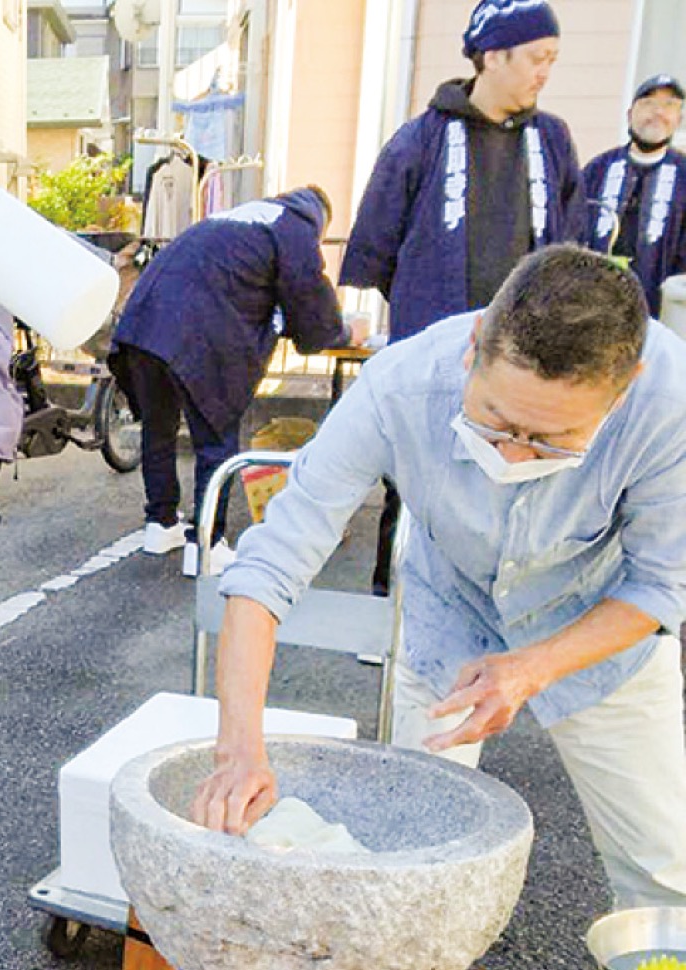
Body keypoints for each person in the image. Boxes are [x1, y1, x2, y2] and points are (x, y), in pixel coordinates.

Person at [193, 246, 686, 929]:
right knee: (412, 855)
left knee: (663, 870)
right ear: (475, 345)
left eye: (551, 440)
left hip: (601, 631)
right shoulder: (398, 384)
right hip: (449, 618)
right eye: (497, 421)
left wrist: (534, 667)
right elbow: (271, 563)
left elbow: (661, 584)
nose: (513, 455)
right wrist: (240, 748)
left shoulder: (671, 401)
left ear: (625, 386)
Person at [340, 0, 584, 596]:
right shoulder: (420, 140)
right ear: (493, 56)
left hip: (527, 353)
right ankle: (393, 604)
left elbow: (570, 244)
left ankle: (496, 611)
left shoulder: (550, 139)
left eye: (551, 59)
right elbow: (375, 244)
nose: (545, 71)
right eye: (537, 57)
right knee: (418, 480)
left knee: (520, 486)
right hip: (438, 346)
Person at [109, 187, 362, 578]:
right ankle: (207, 545)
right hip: (196, 331)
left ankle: (160, 524)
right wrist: (343, 333)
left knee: (158, 429)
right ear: (320, 218)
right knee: (216, 434)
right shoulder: (294, 225)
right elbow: (309, 297)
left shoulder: (238, 217)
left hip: (142, 324)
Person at [583, 74, 686, 317]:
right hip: (593, 303)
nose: (658, 113)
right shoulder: (598, 169)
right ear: (630, 114)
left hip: (659, 310)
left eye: (669, 105)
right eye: (648, 104)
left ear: (678, 120)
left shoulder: (683, 176)